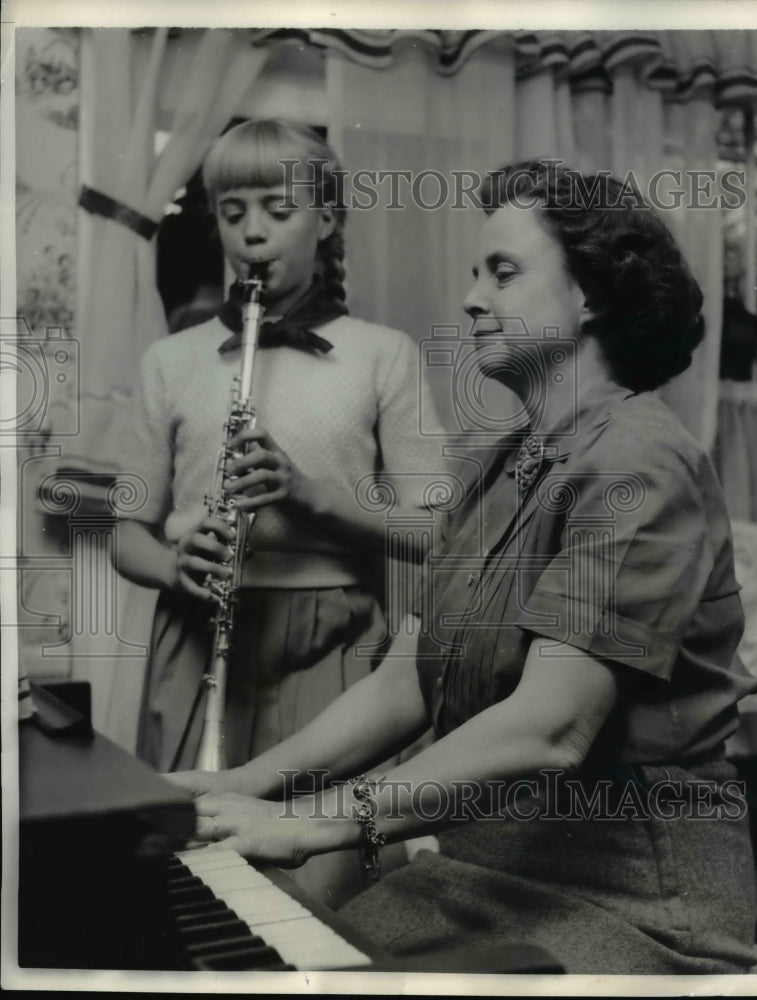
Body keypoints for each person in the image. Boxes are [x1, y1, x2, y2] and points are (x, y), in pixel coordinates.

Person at [167, 160, 757, 974]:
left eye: (503, 273)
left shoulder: (640, 463)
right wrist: (248, 781)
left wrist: (315, 823)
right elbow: (408, 678)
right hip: (482, 868)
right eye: (474, 273)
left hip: (634, 900)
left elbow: (551, 728)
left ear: (588, 296)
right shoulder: (494, 465)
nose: (472, 298)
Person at [113, 118, 448, 906]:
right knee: (184, 880)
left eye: (277, 207)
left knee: (315, 893)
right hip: (195, 642)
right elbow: (125, 529)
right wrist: (175, 562)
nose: (251, 232)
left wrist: (310, 497)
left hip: (334, 646)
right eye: (232, 213)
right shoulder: (171, 360)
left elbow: (434, 530)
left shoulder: (381, 354)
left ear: (326, 218)